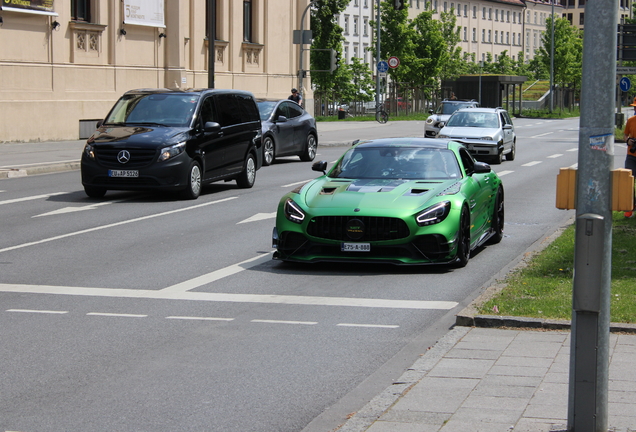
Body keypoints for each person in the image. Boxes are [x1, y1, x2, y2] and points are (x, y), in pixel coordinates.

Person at [622, 111, 636, 217]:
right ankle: (630, 207)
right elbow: (625, 134)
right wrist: (628, 141)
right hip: (631, 155)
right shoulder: (631, 120)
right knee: (628, 181)